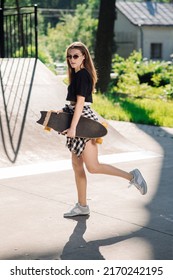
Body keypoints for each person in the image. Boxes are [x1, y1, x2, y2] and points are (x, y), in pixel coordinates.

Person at [60, 42, 147, 218]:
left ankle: (132, 176)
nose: (71, 59)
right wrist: (64, 118)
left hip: (84, 122)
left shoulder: (83, 75)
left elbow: (81, 104)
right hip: (77, 118)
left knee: (93, 167)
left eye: (75, 56)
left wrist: (73, 127)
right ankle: (82, 206)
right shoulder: (76, 75)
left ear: (84, 56)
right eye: (69, 56)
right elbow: (74, 104)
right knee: (77, 166)